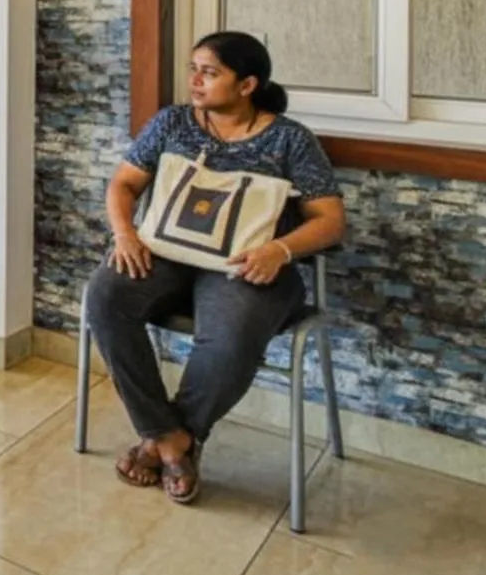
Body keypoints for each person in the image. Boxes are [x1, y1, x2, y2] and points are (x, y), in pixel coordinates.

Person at [87, 30, 346, 505]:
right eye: (193, 69)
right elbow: (124, 184)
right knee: (105, 295)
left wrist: (280, 251)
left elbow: (330, 221)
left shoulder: (290, 139)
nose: (196, 81)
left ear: (247, 85)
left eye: (210, 72)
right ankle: (170, 438)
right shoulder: (172, 123)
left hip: (245, 265)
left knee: (232, 334)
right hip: (166, 254)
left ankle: (169, 439)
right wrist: (125, 234)